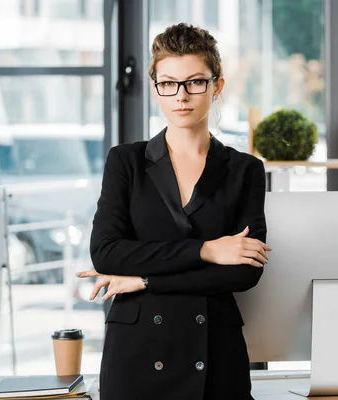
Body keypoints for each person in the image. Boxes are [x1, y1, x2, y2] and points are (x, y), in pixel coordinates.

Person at [76, 22, 271, 400]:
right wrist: (207, 251)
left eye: (195, 82)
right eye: (168, 83)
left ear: (217, 86)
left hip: (215, 350)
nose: (181, 96)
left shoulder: (244, 169)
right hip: (137, 352)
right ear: (155, 88)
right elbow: (107, 252)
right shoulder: (126, 162)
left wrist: (145, 280)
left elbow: (244, 275)